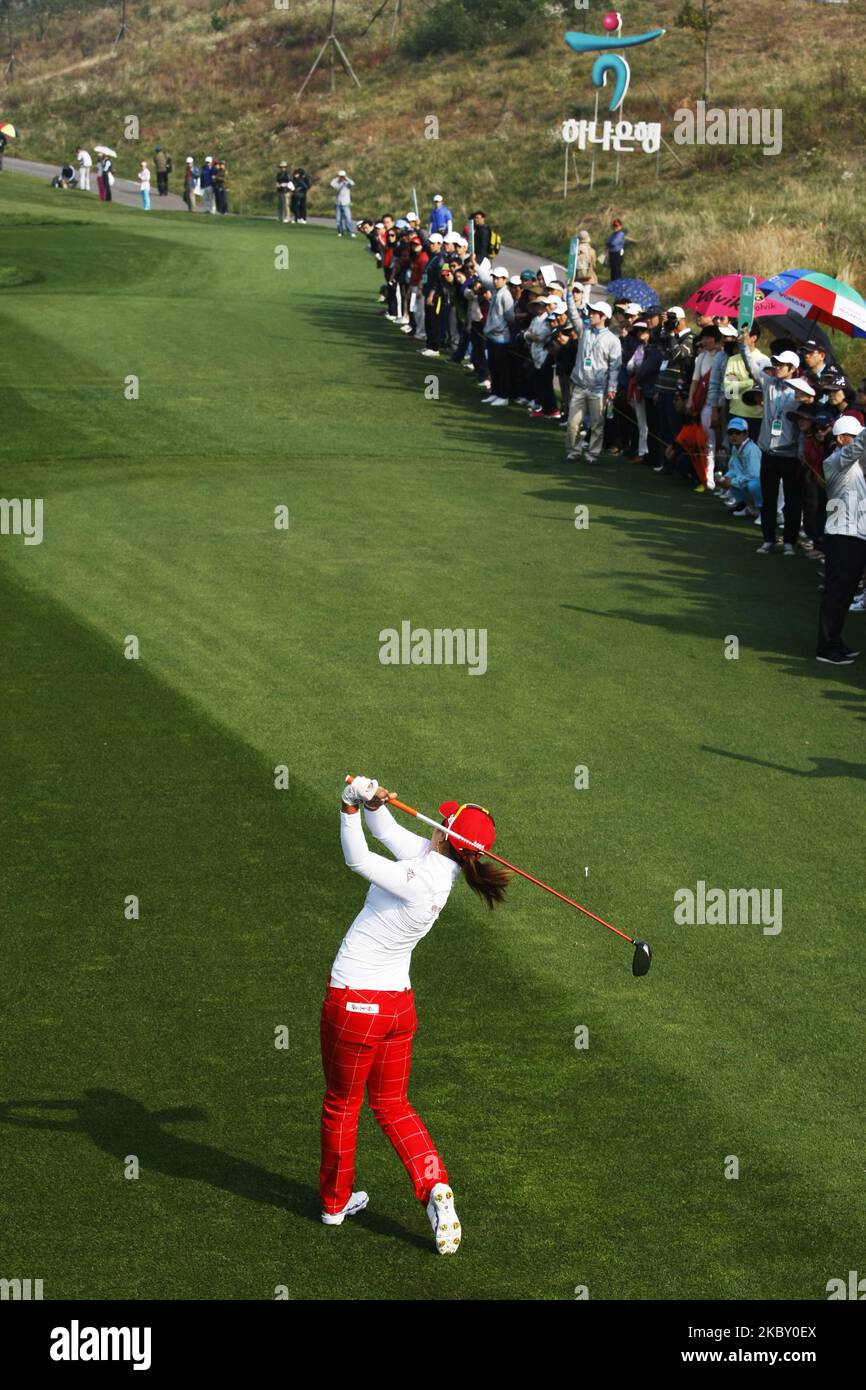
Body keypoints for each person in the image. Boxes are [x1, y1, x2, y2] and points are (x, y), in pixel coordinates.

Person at [322, 776, 509, 1252]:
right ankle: (434, 1187)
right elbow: (387, 834)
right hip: (397, 1009)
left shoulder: (422, 877)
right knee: (392, 1105)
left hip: (355, 1005)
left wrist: (347, 806)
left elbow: (358, 859)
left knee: (343, 1105)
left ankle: (335, 1203)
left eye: (442, 820)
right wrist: (371, 801)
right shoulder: (435, 867)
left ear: (444, 835)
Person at [740, 340, 802, 554]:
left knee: (792, 502)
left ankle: (789, 542)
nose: (776, 367)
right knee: (769, 498)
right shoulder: (768, 383)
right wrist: (743, 346)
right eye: (775, 363)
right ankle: (768, 539)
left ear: (793, 369)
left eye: (781, 365)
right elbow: (752, 367)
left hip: (791, 455)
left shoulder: (800, 390)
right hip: (769, 453)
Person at [815, 418, 866, 664]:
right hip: (842, 537)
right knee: (836, 593)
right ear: (840, 439)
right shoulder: (835, 461)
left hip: (856, 536)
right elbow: (859, 447)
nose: (857, 441)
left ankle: (835, 641)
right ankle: (826, 647)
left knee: (845, 594)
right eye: (852, 436)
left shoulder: (855, 463)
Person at [564, 292, 621, 464]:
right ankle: (573, 451)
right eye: (591, 311)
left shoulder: (612, 340)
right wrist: (568, 294)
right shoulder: (584, 330)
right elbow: (573, 314)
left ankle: (593, 454)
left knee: (597, 424)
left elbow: (615, 367)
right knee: (573, 424)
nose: (591, 314)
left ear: (604, 317)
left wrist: (612, 388)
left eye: (595, 312)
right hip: (580, 386)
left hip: (599, 389)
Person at [476, 263, 516, 405]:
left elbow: (510, 317)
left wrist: (497, 327)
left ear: (505, 279)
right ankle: (495, 392)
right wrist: (476, 266)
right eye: (495, 278)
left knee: (501, 369)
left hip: (501, 338)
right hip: (492, 336)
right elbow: (486, 281)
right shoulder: (496, 290)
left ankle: (503, 396)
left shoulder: (505, 295)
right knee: (493, 367)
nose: (495, 280)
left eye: (499, 278)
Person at [719, 418, 762, 517]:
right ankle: (751, 508)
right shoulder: (735, 447)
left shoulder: (752, 449)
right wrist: (723, 479)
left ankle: (763, 512)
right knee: (731, 480)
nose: (734, 435)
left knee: (753, 485)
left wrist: (731, 481)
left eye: (738, 432)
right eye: (731, 432)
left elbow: (754, 475)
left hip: (762, 483)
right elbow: (733, 469)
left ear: (745, 434)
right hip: (753, 480)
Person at [330, 170, 355, 237]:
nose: (341, 177)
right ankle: (340, 232)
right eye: (340, 176)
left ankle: (351, 232)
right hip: (338, 203)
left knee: (348, 219)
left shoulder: (347, 184)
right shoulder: (337, 184)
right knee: (338, 219)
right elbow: (332, 183)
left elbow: (352, 183)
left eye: (342, 176)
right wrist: (337, 178)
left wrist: (346, 178)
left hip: (345, 203)